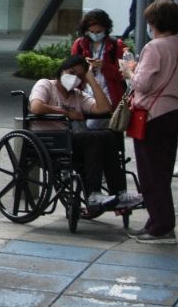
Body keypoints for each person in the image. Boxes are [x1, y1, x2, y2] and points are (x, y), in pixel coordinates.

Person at [120, 0, 178, 244]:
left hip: (151, 115)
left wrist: (129, 72)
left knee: (150, 172)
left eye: (149, 22)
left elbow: (143, 84)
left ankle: (161, 226)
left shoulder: (154, 47)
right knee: (162, 170)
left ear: (154, 23)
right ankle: (157, 222)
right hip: (174, 112)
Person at [28, 55, 142, 212]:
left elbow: (104, 108)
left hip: (72, 142)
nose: (74, 78)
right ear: (62, 70)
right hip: (50, 140)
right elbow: (36, 107)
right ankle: (93, 194)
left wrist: (90, 79)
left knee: (108, 135)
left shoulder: (78, 95)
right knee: (93, 138)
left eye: (79, 76)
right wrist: (67, 113)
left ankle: (119, 193)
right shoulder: (46, 85)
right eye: (71, 72)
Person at [70, 9, 127, 128]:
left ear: (106, 29)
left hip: (108, 94)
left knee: (92, 126)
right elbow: (70, 70)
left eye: (99, 31)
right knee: (83, 126)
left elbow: (122, 74)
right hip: (85, 93)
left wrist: (105, 66)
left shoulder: (116, 44)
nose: (95, 35)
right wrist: (83, 66)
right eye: (92, 31)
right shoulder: (80, 44)